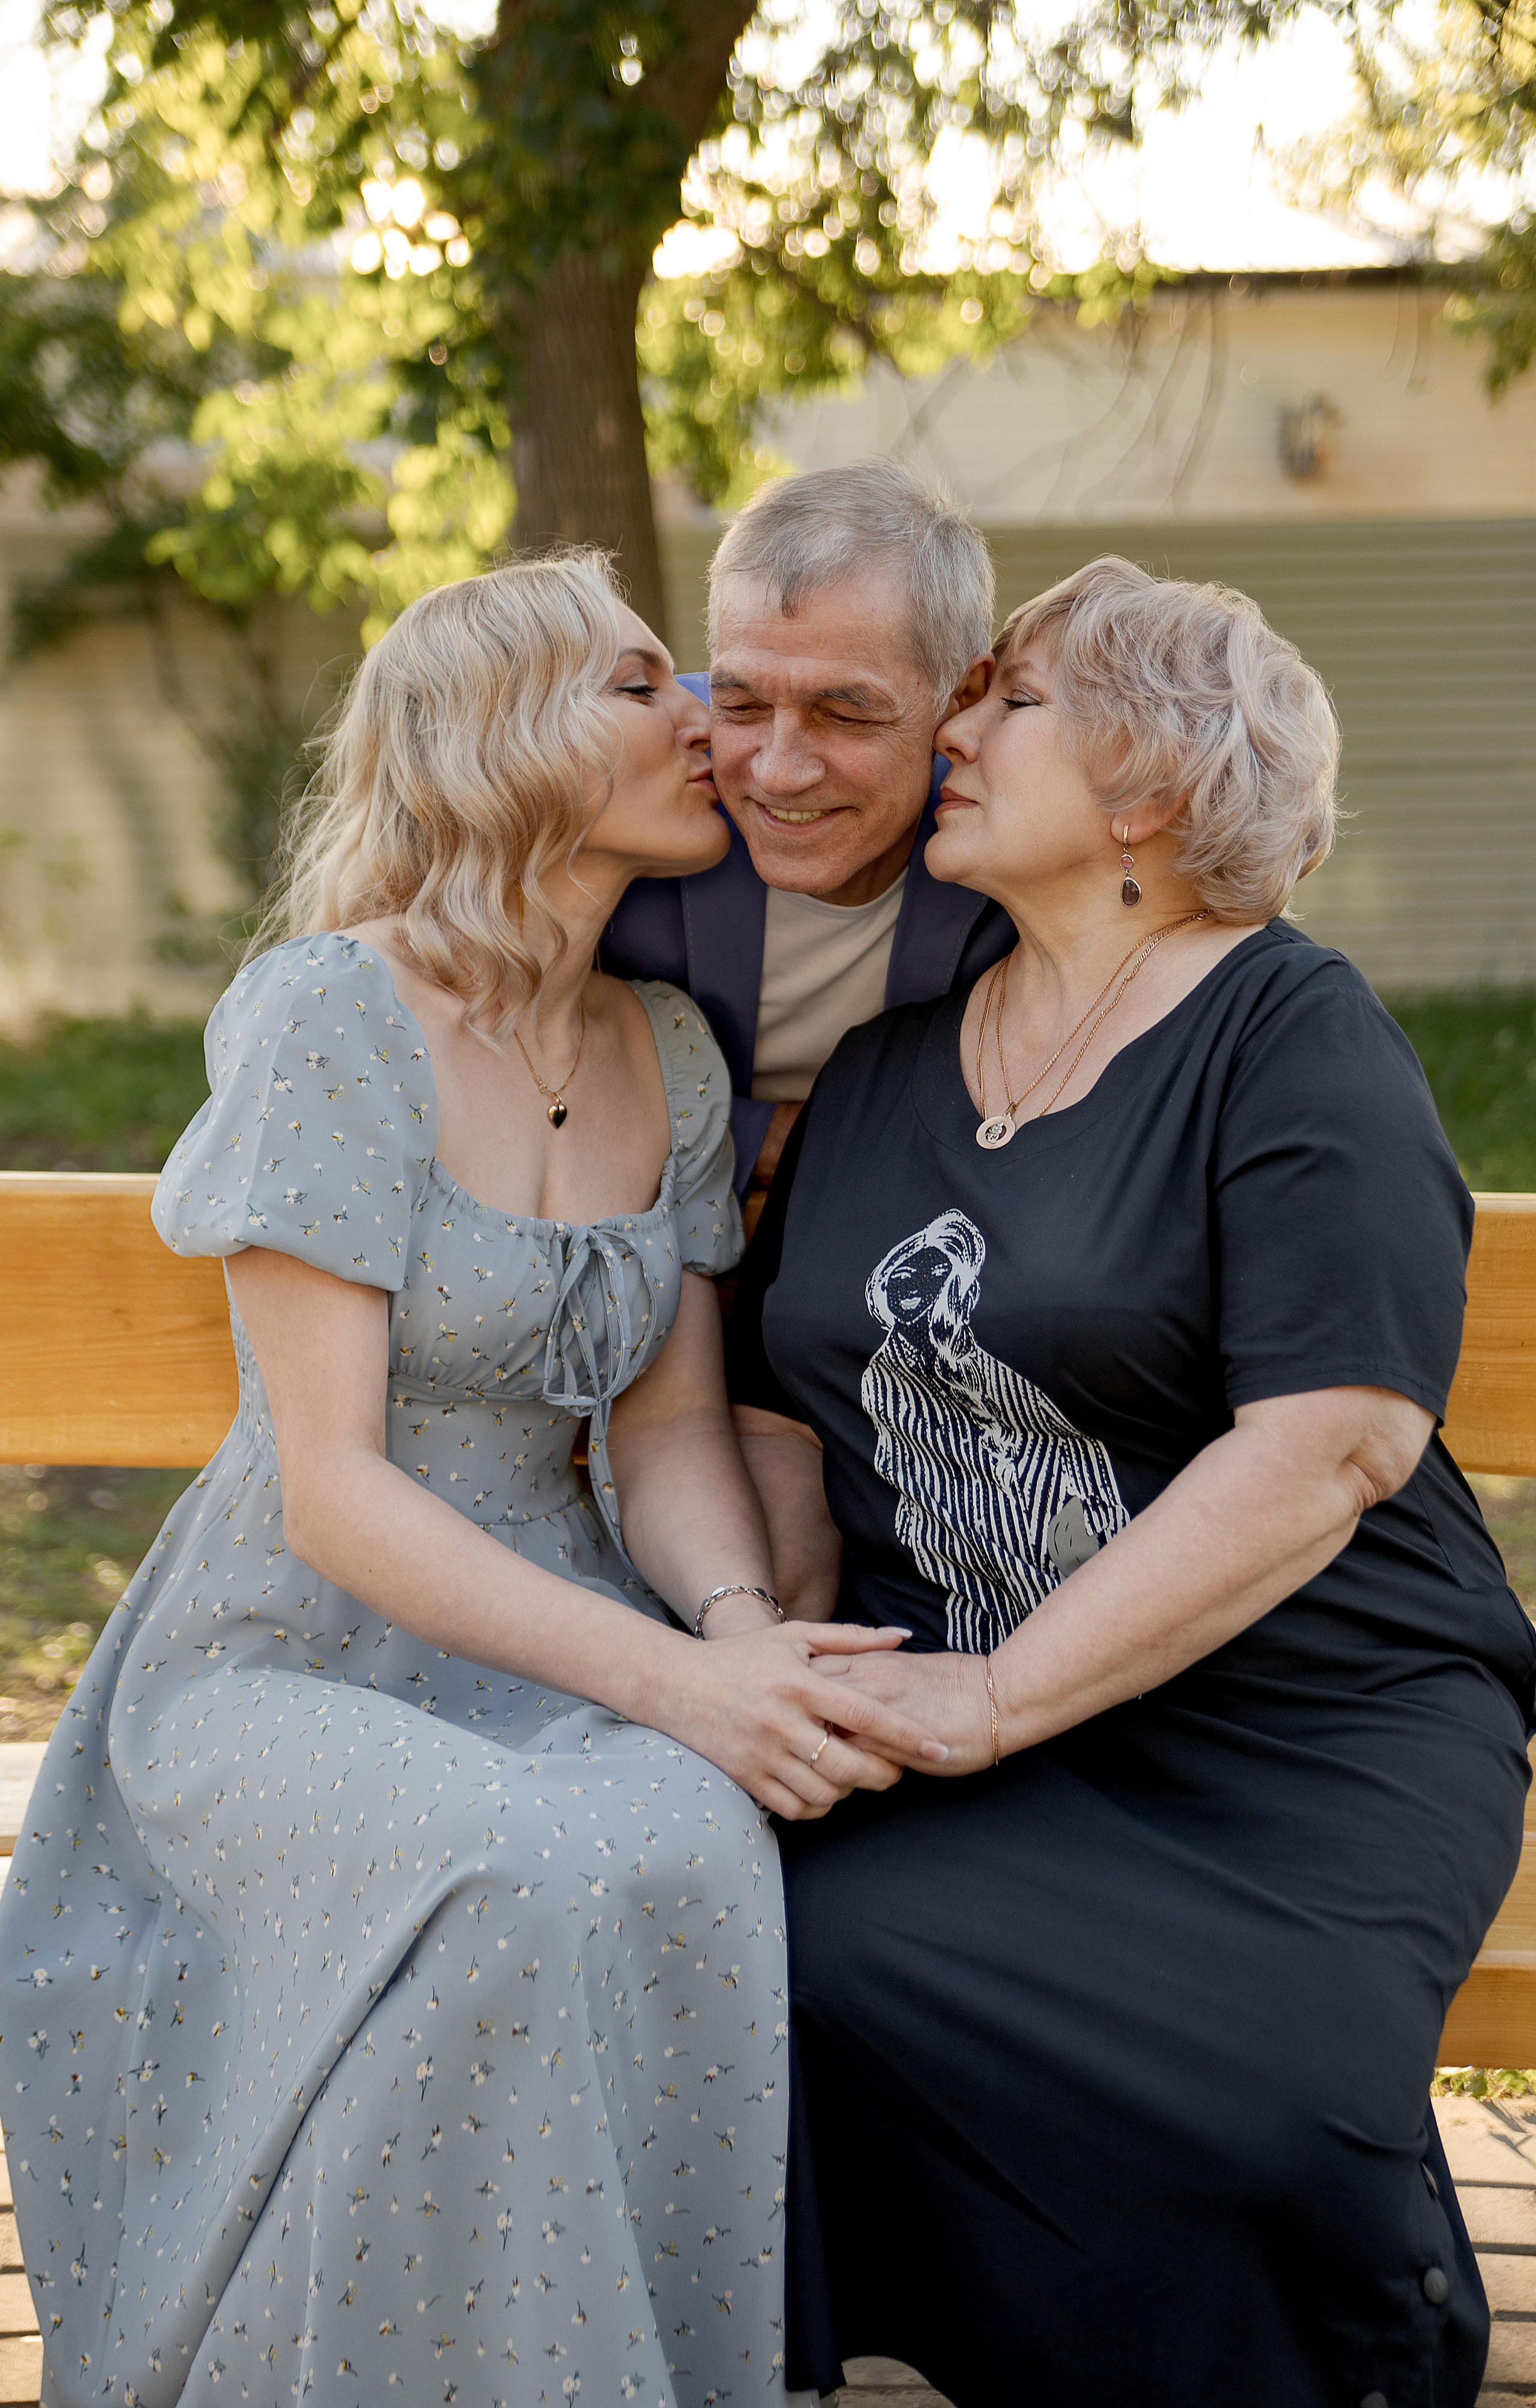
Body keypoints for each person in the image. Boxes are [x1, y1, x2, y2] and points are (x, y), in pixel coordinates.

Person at [0, 554, 946, 2408]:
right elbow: (334, 1491)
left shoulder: (668, 1048)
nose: (702, 716)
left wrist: (739, 1636)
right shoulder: (327, 1017)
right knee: (514, 1859)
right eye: (638, 684)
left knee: (690, 1832)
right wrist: (679, 1677)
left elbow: (666, 1430)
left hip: (559, 1633)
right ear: (499, 738)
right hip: (285, 1649)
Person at [725, 556, 1536, 2407]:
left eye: (1011, 700)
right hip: (962, 1712)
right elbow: (778, 1405)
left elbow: (1335, 1441)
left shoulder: (1290, 1034)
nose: (956, 729)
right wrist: (763, 1643)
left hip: (1297, 1720)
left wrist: (996, 1696)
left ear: (1149, 786)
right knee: (772, 1939)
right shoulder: (884, 1070)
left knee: (1262, 2106)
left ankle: (1350, 2347)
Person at [602, 458, 1014, 1192]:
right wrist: (771, 1140)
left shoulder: (1021, 833)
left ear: (962, 697)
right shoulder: (632, 787)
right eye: (741, 705)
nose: (778, 772)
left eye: (845, 714)